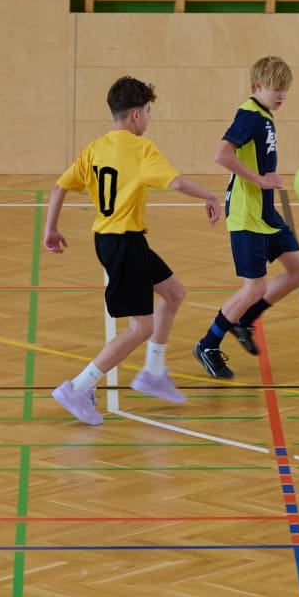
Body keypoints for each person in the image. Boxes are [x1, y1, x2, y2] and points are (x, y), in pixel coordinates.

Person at [44, 76, 221, 426]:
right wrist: (210, 195)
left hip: (116, 241)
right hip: (124, 243)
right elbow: (177, 182)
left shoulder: (94, 149)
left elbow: (59, 186)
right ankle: (78, 387)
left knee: (173, 293)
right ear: (136, 115)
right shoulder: (142, 149)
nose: (150, 119)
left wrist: (51, 228)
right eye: (149, 112)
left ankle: (153, 372)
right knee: (140, 328)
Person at [193, 55, 299, 379]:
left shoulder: (265, 115)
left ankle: (244, 319)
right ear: (258, 86)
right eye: (276, 88)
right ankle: (207, 345)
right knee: (253, 289)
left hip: (265, 212)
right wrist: (259, 180)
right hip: (247, 214)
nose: (282, 95)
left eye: (285, 89)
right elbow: (221, 155)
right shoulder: (250, 115)